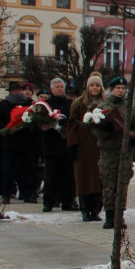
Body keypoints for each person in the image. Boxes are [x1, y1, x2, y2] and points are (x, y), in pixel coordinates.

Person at [92, 77, 135, 230]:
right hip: (109, 152)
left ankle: (119, 215)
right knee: (109, 185)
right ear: (111, 89)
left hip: (124, 153)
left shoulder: (129, 108)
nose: (121, 90)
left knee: (122, 184)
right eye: (118, 88)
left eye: (123, 88)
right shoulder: (103, 107)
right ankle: (109, 215)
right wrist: (104, 131)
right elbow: (94, 130)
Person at [67, 75, 105, 222]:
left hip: (100, 147)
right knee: (83, 178)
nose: (94, 88)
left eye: (97, 85)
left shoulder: (105, 103)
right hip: (83, 147)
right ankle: (85, 209)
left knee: (98, 179)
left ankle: (95, 210)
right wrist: (72, 144)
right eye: (92, 85)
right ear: (87, 87)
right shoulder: (78, 103)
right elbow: (71, 125)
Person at [0, 81, 36, 204]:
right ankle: (6, 194)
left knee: (26, 170)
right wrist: (8, 127)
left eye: (18, 89)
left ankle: (27, 193)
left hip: (25, 142)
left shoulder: (28, 104)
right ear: (10, 91)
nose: (17, 91)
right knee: (8, 170)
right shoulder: (3, 105)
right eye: (15, 90)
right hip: (9, 142)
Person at [40, 78, 77, 212]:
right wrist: (42, 126)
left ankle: (68, 201)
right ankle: (48, 202)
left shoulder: (70, 104)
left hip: (66, 145)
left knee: (68, 176)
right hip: (51, 145)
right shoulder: (46, 104)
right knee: (51, 176)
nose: (60, 89)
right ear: (52, 89)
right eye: (57, 87)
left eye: (62, 87)